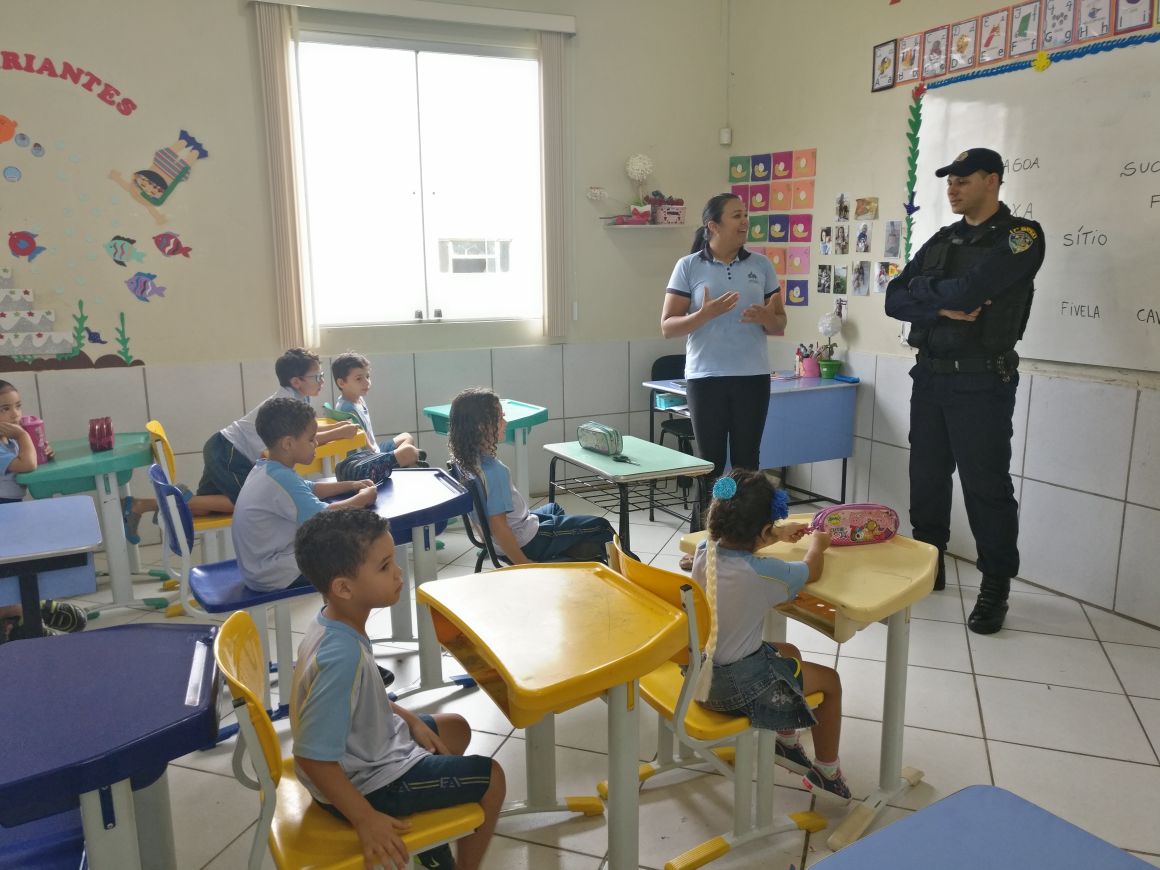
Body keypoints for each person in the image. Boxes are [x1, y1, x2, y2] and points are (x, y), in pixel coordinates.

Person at [884, 147, 1045, 634]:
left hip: (981, 379)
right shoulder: (942, 238)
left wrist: (933, 299)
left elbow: (973, 291)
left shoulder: (1021, 237)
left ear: (992, 180)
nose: (952, 187)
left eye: (963, 178)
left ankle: (995, 586)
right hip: (931, 374)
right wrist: (941, 309)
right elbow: (894, 297)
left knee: (985, 485)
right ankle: (928, 566)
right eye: (949, 180)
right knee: (927, 475)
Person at [291, 509, 505, 870]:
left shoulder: (334, 621)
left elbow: (362, 699)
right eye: (385, 566)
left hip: (371, 749)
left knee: (455, 728)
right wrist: (364, 818)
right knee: (493, 778)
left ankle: (429, 841)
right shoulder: (340, 656)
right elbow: (311, 756)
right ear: (344, 587)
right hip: (366, 784)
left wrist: (410, 720)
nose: (398, 573)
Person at [690, 470, 847, 799]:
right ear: (762, 530)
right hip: (736, 687)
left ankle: (786, 741)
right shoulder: (763, 574)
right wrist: (817, 543)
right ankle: (828, 774)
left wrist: (775, 533)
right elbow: (812, 569)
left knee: (788, 651)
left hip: (698, 674)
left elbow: (743, 539)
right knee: (831, 683)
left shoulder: (706, 550)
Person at [661, 193, 787, 552]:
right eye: (736, 216)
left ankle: (749, 542)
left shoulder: (761, 266)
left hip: (752, 377)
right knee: (711, 465)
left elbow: (779, 323)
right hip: (706, 378)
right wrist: (705, 314)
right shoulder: (688, 266)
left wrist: (766, 317)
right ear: (713, 226)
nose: (745, 222)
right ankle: (704, 544)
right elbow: (668, 326)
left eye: (746, 215)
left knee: (748, 464)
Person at [448, 387, 613, 563]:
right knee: (601, 527)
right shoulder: (493, 472)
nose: (505, 422)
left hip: (496, 542)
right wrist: (523, 563)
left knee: (554, 509)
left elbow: (491, 524)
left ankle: (564, 554)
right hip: (525, 542)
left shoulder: (463, 461)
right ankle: (626, 576)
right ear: (482, 426)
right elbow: (499, 526)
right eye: (500, 417)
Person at [231, 398, 377, 594]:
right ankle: (341, 620)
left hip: (259, 568)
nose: (316, 443)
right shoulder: (281, 478)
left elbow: (309, 487)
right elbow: (325, 517)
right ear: (288, 444)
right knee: (354, 554)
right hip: (273, 573)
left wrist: (349, 485)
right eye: (311, 439)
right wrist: (364, 498)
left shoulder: (266, 468)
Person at [195, 347, 358, 505]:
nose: (322, 381)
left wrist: (339, 427)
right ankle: (188, 500)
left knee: (210, 501)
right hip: (229, 450)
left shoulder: (299, 397)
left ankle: (191, 504)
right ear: (296, 381)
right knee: (245, 499)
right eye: (316, 377)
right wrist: (340, 432)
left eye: (322, 375)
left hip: (224, 448)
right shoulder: (288, 402)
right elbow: (302, 438)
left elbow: (309, 430)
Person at [0, 380, 87, 642]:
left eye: (18, 406)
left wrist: (41, 450)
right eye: (5, 409)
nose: (15, 414)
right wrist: (25, 437)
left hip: (11, 513)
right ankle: (25, 613)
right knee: (10, 570)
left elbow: (29, 459)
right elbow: (27, 465)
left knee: (16, 568)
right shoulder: (11, 440)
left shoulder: (8, 441)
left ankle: (25, 611)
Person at [330, 351, 422, 484]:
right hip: (364, 461)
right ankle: (397, 466)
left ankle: (395, 466)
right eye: (359, 379)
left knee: (407, 437)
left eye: (367, 376)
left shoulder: (358, 399)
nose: (366, 382)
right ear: (341, 383)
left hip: (374, 451)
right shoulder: (347, 410)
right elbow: (364, 444)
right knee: (410, 452)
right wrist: (389, 456)